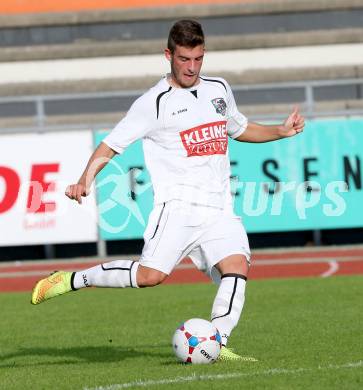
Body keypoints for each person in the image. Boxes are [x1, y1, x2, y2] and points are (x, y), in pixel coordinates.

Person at [31, 19, 304, 361]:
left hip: (219, 207)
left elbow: (240, 127)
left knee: (236, 268)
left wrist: (281, 130)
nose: (192, 67)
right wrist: (86, 178)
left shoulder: (218, 88)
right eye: (184, 59)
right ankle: (72, 280)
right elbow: (111, 145)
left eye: (198, 59)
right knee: (149, 276)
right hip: (177, 208)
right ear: (169, 55)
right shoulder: (153, 103)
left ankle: (216, 339)